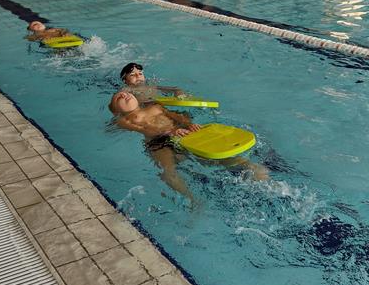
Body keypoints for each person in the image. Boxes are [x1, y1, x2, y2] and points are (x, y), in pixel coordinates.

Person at [108, 90, 268, 202]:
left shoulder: (155, 106)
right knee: (168, 173)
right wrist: (168, 132)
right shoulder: (124, 120)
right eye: (118, 97)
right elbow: (144, 129)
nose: (124, 94)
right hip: (159, 142)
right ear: (116, 110)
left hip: (183, 134)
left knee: (214, 156)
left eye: (126, 93)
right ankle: (194, 201)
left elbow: (176, 116)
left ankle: (253, 169)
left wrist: (189, 124)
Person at [119, 62, 185, 103]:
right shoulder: (127, 89)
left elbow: (175, 89)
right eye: (132, 75)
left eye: (140, 73)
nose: (138, 76)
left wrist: (179, 92)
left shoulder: (150, 86)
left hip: (156, 107)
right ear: (125, 81)